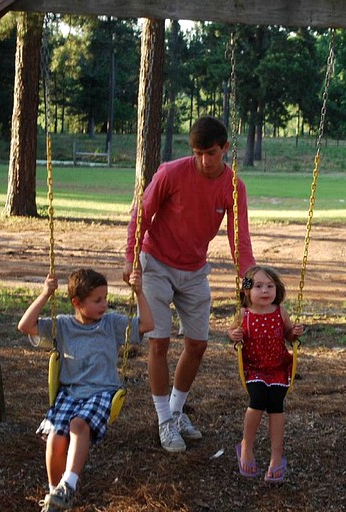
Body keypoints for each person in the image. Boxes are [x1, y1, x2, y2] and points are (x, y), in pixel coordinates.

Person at [123, 116, 256, 453]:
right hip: (156, 263)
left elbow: (239, 237)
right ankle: (164, 420)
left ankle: (178, 411)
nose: (203, 160)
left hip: (195, 269)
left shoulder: (233, 186)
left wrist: (249, 277)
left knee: (197, 344)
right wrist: (130, 256)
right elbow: (142, 214)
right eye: (197, 152)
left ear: (224, 148)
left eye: (210, 153)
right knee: (159, 342)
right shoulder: (170, 172)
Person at [18, 269, 154, 512]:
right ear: (77, 303)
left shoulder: (111, 323)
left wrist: (140, 292)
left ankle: (69, 484)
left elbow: (147, 324)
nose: (105, 304)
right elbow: (25, 325)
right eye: (97, 300)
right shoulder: (63, 326)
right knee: (56, 438)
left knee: (78, 426)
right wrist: (45, 294)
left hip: (102, 392)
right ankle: (55, 494)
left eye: (105, 298)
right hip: (69, 393)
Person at [227, 265, 304, 483]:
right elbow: (232, 332)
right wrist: (234, 334)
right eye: (258, 286)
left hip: (278, 368)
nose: (265, 291)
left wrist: (295, 332)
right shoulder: (244, 314)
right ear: (246, 291)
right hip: (254, 368)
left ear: (276, 289)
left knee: (276, 404)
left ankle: (276, 457)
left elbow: (288, 334)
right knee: (258, 399)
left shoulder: (281, 312)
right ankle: (246, 446)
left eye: (270, 286)